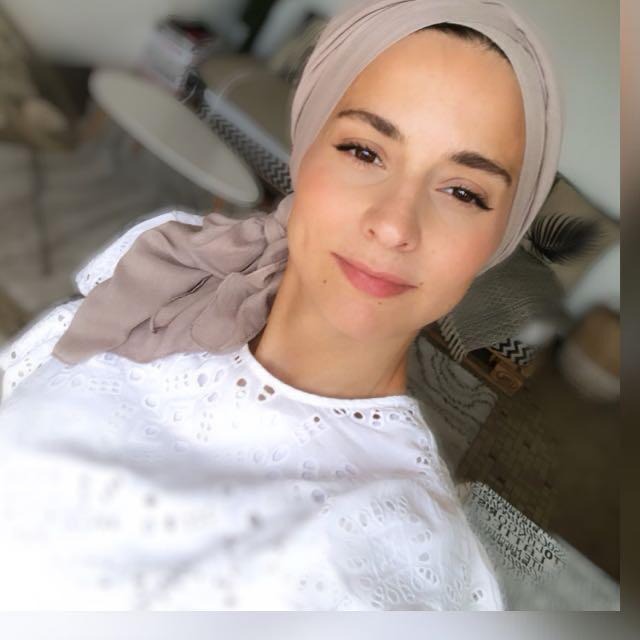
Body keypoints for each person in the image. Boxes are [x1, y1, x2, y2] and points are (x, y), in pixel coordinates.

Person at [0, 0, 562, 610]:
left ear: (498, 240)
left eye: (463, 192)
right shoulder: (166, 284)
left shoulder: (404, 560)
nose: (395, 225)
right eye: (364, 151)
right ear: (305, 150)